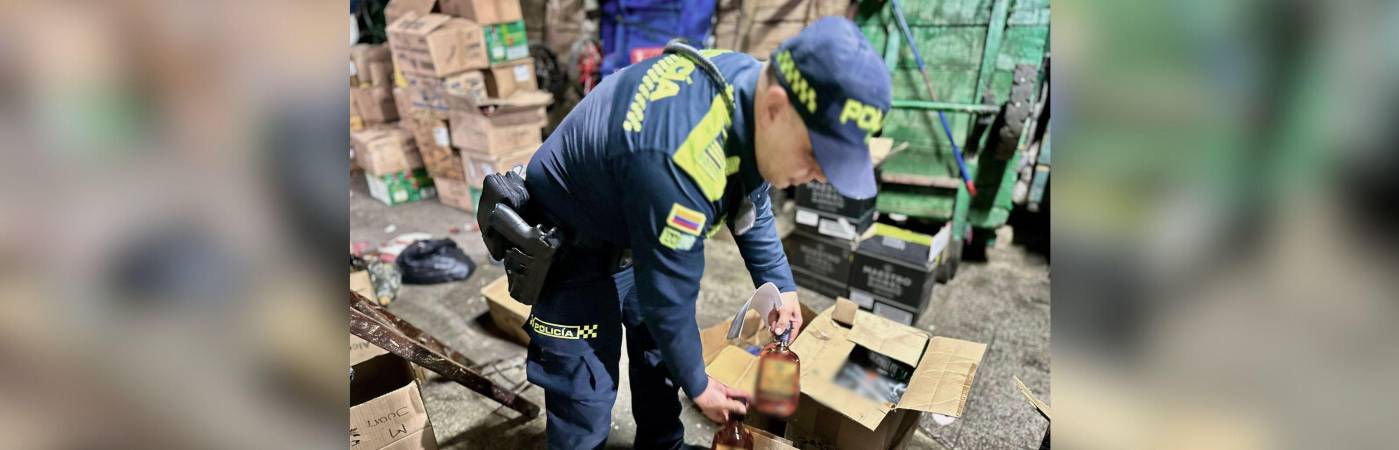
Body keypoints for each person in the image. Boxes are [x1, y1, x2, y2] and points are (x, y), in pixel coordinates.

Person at [518, 17, 891, 449]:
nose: (818, 178)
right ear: (775, 106)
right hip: (573, 241)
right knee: (585, 396)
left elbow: (751, 198)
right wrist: (700, 386)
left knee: (660, 354)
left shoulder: (746, 85)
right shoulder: (681, 161)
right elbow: (669, 297)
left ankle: (662, 446)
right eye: (815, 156)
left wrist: (782, 286)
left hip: (630, 220)